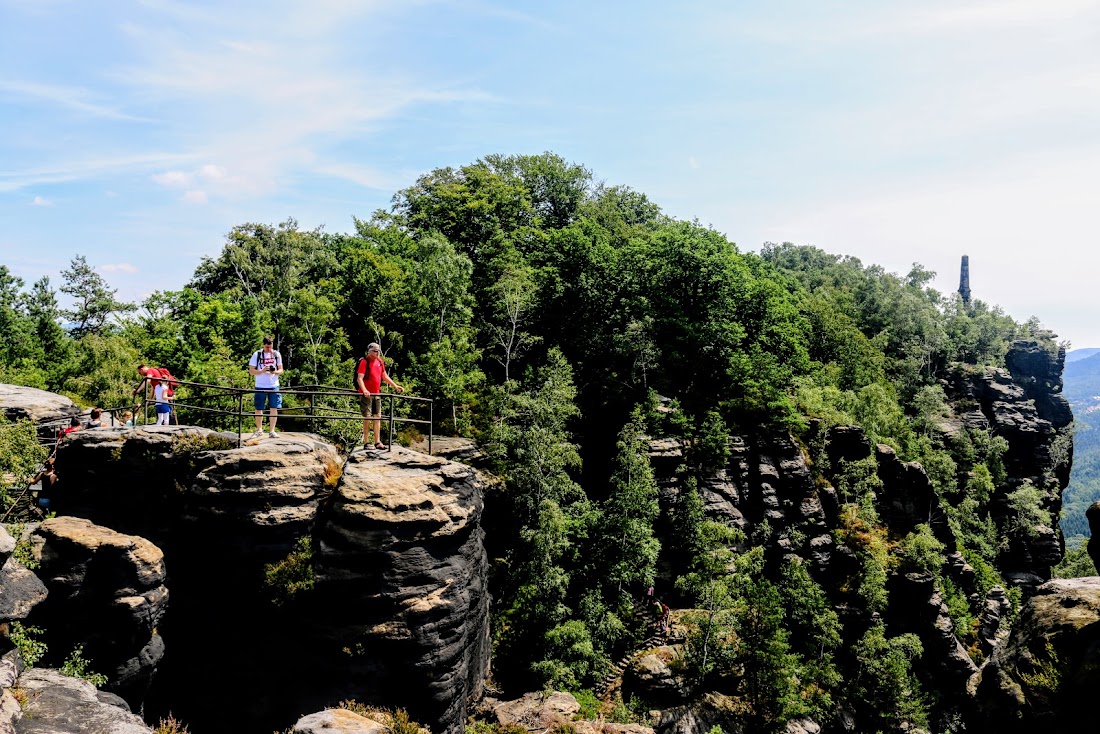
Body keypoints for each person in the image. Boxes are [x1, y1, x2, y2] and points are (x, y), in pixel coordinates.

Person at [355, 342, 403, 449]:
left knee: (377, 417)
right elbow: (360, 378)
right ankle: (366, 442)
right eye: (375, 351)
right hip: (366, 394)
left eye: (379, 351)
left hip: (377, 393)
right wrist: (364, 390)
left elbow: (384, 376)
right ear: (370, 351)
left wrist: (395, 386)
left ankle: (377, 442)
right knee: (367, 417)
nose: (378, 353)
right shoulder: (364, 361)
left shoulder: (380, 362)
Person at [248, 336, 284, 438]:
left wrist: (275, 371)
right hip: (260, 385)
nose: (269, 348)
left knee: (274, 407)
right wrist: (262, 371)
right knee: (259, 408)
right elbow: (251, 371)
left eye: (270, 346)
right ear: (263, 345)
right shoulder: (257, 354)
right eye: (267, 347)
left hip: (273, 385)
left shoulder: (276, 354)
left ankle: (272, 431)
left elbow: (281, 370)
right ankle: (259, 430)